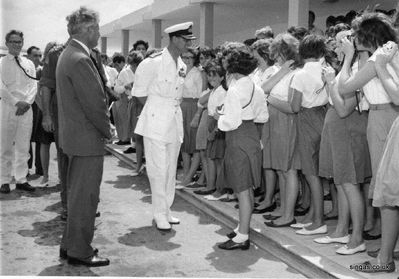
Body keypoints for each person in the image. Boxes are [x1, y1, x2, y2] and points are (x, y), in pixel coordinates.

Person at [57, 6, 111, 266]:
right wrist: (107, 130)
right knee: (86, 198)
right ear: (88, 30)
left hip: (75, 138)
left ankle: (69, 245)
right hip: (87, 140)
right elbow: (95, 104)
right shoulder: (80, 58)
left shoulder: (70, 54)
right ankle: (80, 251)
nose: (99, 34)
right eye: (97, 29)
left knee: (77, 195)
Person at [132, 22, 195, 231]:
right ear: (175, 39)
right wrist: (156, 110)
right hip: (156, 120)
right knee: (157, 169)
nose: (188, 44)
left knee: (170, 169)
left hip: (174, 121)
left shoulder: (182, 65)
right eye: (185, 40)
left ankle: (166, 209)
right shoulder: (153, 63)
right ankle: (159, 213)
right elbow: (139, 93)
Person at [217, 47, 268, 250]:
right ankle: (242, 227)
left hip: (237, 137)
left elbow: (229, 122)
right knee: (247, 187)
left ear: (232, 68)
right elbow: (263, 117)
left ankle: (243, 235)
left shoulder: (235, 90)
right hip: (251, 135)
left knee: (242, 189)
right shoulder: (257, 87)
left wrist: (220, 116)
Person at [0, 30, 37, 194]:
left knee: (23, 145)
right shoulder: (1, 63)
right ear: (7, 43)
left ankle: (21, 178)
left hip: (26, 109)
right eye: (13, 41)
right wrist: (16, 102)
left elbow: (34, 85)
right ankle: (4, 180)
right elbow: (1, 87)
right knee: (5, 146)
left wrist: (27, 102)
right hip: (8, 107)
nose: (16, 45)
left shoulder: (28, 63)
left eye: (19, 42)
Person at [26, 46, 43, 178]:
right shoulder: (24, 70)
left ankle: (40, 167)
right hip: (27, 107)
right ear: (28, 56)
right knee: (25, 138)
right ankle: (25, 167)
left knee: (39, 138)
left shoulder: (42, 71)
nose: (37, 58)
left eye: (39, 56)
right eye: (35, 55)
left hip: (40, 108)